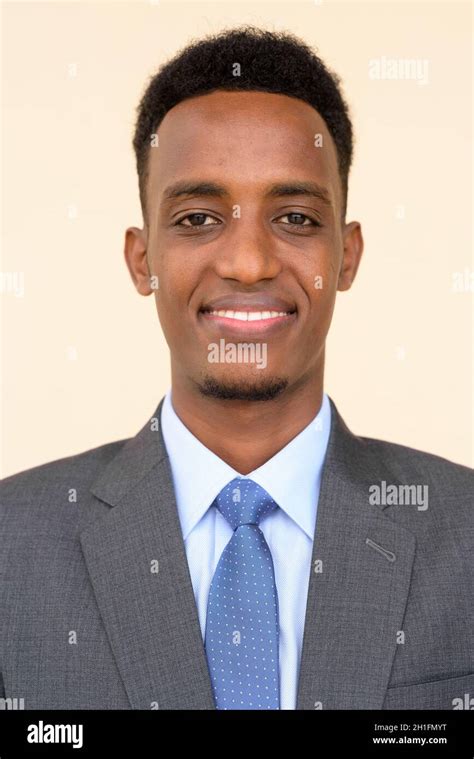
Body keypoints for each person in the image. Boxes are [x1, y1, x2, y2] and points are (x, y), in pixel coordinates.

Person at [1, 27, 472, 711]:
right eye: (197, 217)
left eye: (295, 217)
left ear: (347, 254)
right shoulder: (12, 550)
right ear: (143, 260)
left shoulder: (463, 536)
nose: (248, 262)